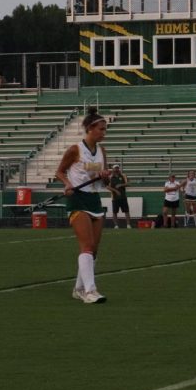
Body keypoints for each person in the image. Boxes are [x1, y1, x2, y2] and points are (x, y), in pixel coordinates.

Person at [54, 108, 111, 303]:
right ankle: (90, 291)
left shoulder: (102, 151)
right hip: (78, 199)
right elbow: (60, 172)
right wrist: (67, 184)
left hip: (94, 199)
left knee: (94, 249)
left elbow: (102, 181)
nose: (104, 133)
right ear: (90, 128)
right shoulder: (75, 149)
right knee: (86, 246)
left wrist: (105, 177)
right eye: (101, 129)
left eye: (105, 129)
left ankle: (78, 288)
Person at [107, 164, 132, 229]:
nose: (116, 169)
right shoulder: (110, 177)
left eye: (117, 168)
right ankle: (116, 225)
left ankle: (128, 225)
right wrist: (115, 191)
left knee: (126, 211)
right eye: (115, 168)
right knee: (115, 212)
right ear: (113, 169)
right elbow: (107, 186)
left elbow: (129, 184)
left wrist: (121, 185)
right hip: (114, 197)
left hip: (123, 197)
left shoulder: (123, 175)